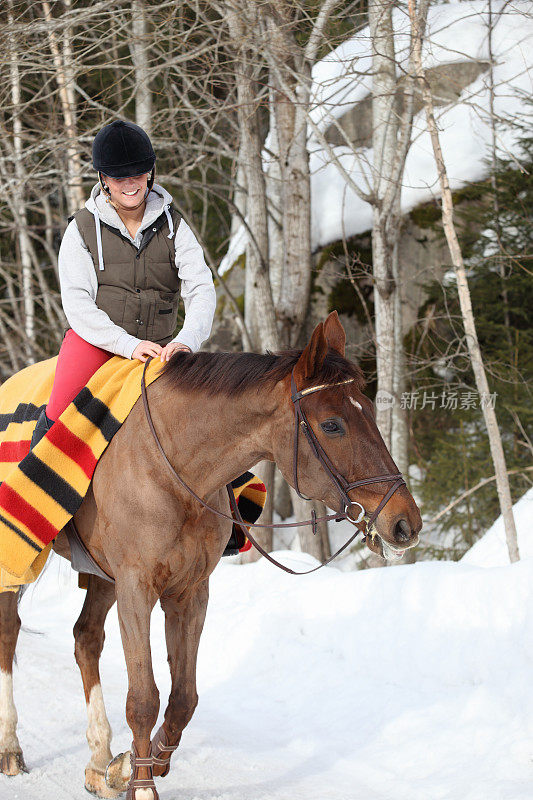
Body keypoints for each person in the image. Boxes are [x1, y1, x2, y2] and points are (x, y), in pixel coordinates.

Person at [31, 119, 216, 446]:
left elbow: (201, 289)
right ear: (104, 179)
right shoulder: (82, 229)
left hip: (160, 348)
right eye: (119, 177)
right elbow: (78, 304)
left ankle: (231, 494)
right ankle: (36, 486)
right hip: (95, 343)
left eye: (138, 174)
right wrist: (127, 345)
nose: (130, 185)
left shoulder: (175, 227)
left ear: (150, 173)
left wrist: (186, 340)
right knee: (58, 419)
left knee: (210, 425)